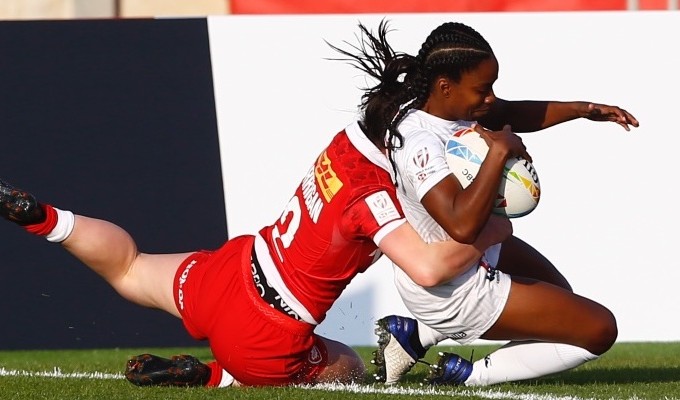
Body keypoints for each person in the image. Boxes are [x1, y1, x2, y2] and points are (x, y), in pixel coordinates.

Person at [0, 119, 513, 386]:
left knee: (129, 266)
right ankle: (210, 376)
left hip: (233, 270)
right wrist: (491, 233)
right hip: (266, 327)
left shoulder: (341, 149)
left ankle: (46, 219)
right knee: (350, 365)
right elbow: (426, 266)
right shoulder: (375, 198)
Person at [329, 20, 639, 386]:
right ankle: (467, 376)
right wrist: (499, 152)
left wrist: (584, 109)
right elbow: (462, 224)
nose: (490, 98)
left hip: (471, 257)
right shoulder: (419, 143)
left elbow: (512, 112)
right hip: (454, 290)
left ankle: (415, 336)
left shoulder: (449, 106)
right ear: (445, 86)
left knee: (561, 297)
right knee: (600, 329)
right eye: (483, 89)